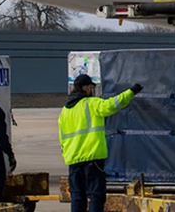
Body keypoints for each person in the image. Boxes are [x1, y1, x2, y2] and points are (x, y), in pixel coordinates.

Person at [59, 75, 142, 212]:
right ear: (87, 88)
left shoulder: (65, 111)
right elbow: (112, 105)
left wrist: (68, 155)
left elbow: (62, 139)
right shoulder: (91, 103)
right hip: (92, 159)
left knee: (77, 197)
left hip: (73, 161)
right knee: (96, 196)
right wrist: (131, 92)